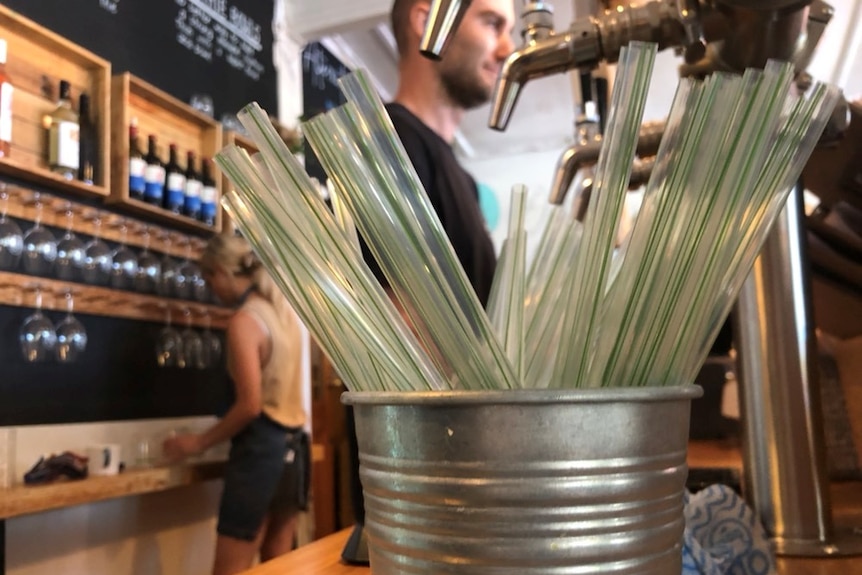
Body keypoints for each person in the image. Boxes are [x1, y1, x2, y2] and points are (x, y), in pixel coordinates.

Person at [163, 234, 308, 575]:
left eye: (209, 279)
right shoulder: (284, 316)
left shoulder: (245, 322)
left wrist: (196, 443)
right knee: (279, 566)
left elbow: (250, 406)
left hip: (260, 455)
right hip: (294, 454)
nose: (211, 289)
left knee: (231, 571)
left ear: (222, 273)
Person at [363, 0, 516, 306]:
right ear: (426, 23)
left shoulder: (464, 181)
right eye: (491, 24)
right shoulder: (389, 144)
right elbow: (396, 330)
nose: (507, 49)